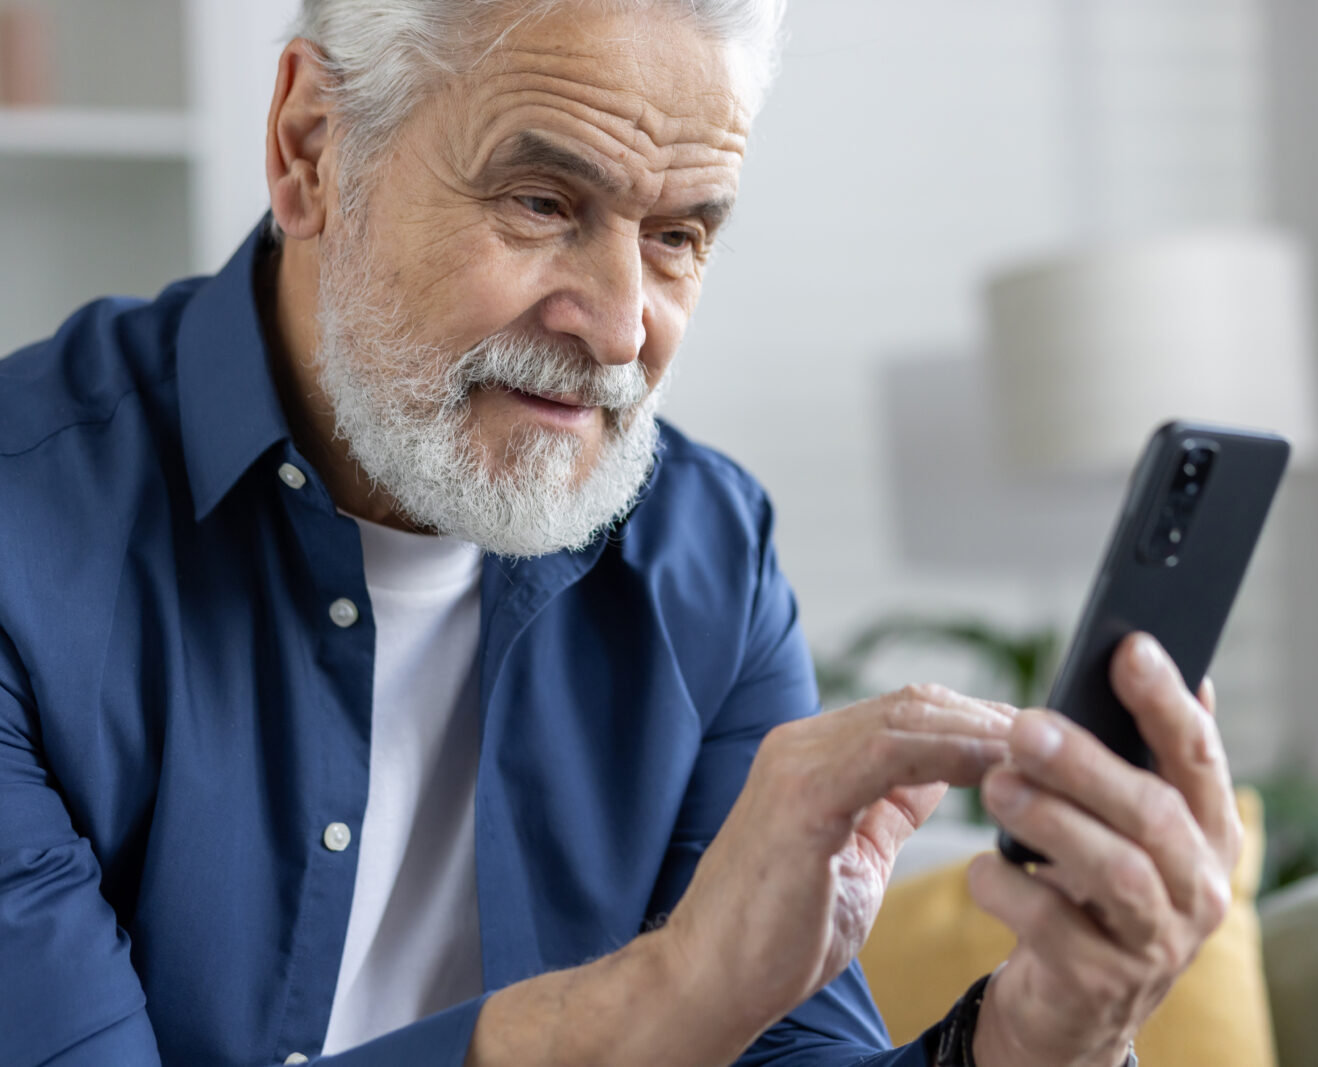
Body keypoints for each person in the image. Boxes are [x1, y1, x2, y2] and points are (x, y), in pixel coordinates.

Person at [0, 2, 1242, 1064]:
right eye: (542, 201)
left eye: (678, 236)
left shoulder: (708, 553)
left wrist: (1035, 1035)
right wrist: (666, 993)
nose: (616, 325)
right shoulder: (22, 534)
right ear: (311, 148)